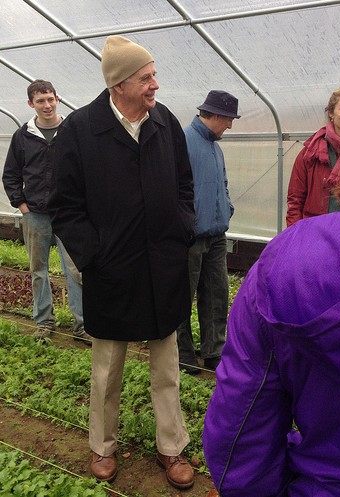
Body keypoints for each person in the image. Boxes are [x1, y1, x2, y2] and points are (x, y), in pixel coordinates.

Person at [203, 32, 340, 497]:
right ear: (332, 115)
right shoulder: (312, 151)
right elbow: (296, 197)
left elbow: (241, 427)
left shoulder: (284, 272)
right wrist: (298, 233)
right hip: (331, 246)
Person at [48, 35, 195, 489]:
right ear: (119, 84)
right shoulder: (79, 131)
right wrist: (95, 257)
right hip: (112, 272)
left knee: (166, 367)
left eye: (153, 75)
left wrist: (181, 228)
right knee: (107, 369)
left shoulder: (164, 122)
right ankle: (103, 446)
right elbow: (65, 206)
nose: (155, 84)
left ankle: (172, 448)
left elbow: (184, 183)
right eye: (146, 77)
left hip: (163, 267)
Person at [2, 79, 90, 345]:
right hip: (36, 213)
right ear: (31, 104)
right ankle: (44, 322)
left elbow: (86, 170)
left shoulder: (71, 131)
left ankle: (82, 325)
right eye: (40, 100)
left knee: (74, 268)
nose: (47, 105)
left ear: (57, 99)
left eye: (50, 99)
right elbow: (11, 174)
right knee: (38, 269)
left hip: (68, 213)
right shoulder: (23, 136)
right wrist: (22, 204)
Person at [177, 90, 239, 374]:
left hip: (215, 235)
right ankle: (183, 354)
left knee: (216, 294)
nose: (229, 125)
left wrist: (225, 208)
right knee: (182, 297)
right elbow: (170, 191)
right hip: (189, 237)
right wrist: (185, 224)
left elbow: (222, 184)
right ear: (213, 115)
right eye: (227, 119)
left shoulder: (215, 147)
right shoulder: (182, 142)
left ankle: (213, 350)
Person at [286, 85, 340, 227]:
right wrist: (295, 236)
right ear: (331, 113)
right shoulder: (310, 153)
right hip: (315, 232)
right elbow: (295, 200)